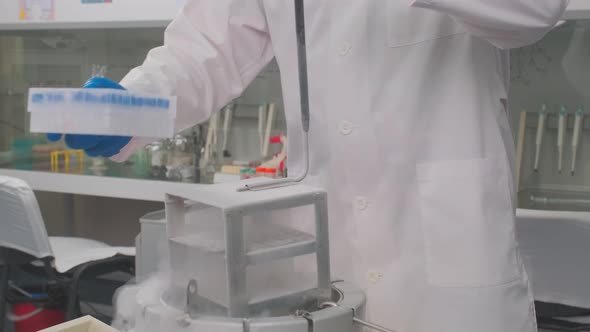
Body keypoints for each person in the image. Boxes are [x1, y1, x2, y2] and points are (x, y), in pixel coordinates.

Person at [50, 1, 568, 331]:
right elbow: (203, 52)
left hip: (450, 272)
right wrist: (127, 109)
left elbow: (536, 10)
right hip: (323, 269)